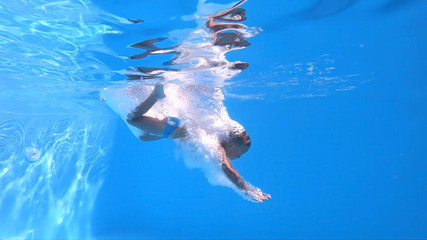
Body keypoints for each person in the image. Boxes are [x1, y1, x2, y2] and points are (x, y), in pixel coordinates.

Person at [126, 84, 271, 203]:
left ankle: (158, 103)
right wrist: (244, 188)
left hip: (177, 126)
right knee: (133, 120)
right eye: (240, 153)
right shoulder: (214, 144)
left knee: (144, 137)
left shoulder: (214, 128)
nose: (238, 158)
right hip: (177, 129)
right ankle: (156, 95)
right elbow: (225, 166)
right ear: (232, 145)